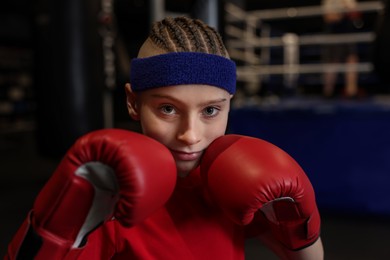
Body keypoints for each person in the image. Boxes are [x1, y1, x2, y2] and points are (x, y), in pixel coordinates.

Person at [5, 16, 324, 259]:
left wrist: (298, 225)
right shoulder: (111, 192)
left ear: (229, 104)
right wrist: (55, 230)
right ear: (133, 102)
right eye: (168, 108)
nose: (190, 135)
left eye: (210, 111)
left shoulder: (234, 179)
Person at [321, 0, 361, 98]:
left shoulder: (350, 1)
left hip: (348, 33)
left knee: (351, 61)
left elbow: (357, 15)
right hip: (334, 34)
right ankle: (328, 93)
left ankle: (351, 92)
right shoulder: (329, 1)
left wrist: (349, 11)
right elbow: (328, 17)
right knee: (332, 63)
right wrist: (341, 14)